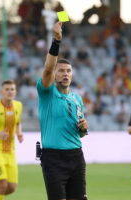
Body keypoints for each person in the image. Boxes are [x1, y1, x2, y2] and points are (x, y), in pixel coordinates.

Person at [37, 22, 89, 200]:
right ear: (55, 75)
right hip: (53, 158)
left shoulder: (77, 99)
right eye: (61, 71)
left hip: (76, 155)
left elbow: (80, 133)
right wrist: (56, 41)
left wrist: (83, 128)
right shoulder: (47, 93)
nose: (65, 74)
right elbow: (47, 69)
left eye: (68, 71)